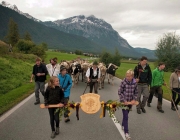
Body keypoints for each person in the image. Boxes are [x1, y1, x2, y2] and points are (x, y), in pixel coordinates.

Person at [118, 69, 138, 140]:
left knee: (126, 115)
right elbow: (120, 92)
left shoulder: (135, 83)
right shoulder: (123, 82)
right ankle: (126, 133)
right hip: (124, 102)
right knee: (126, 116)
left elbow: (136, 92)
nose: (128, 78)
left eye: (129, 76)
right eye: (127, 76)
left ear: (132, 76)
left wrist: (134, 99)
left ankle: (123, 125)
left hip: (130, 103)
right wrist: (123, 100)